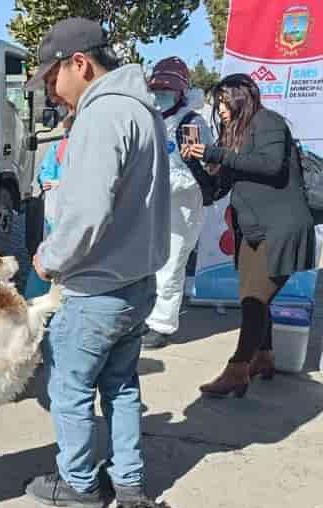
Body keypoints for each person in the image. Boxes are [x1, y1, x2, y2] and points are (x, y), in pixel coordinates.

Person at [22, 17, 170, 508]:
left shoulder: (101, 116)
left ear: (79, 63)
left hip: (95, 291)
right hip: (136, 282)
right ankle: (128, 481)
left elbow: (85, 213)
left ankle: (80, 484)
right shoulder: (143, 111)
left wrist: (48, 258)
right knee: (122, 386)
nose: (51, 90)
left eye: (51, 77)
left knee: (70, 391)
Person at [183, 74, 315, 397]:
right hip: (252, 231)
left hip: (280, 228)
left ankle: (238, 368)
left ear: (240, 97)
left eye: (223, 103)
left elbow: (271, 166)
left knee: (256, 299)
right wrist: (197, 164)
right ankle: (264, 357)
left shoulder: (268, 123)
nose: (220, 110)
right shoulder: (233, 134)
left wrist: (216, 154)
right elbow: (217, 189)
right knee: (254, 299)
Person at [143, 57, 216, 349]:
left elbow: (196, 171)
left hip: (183, 205)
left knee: (171, 265)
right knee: (149, 263)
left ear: (181, 92)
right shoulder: (153, 118)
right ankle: (146, 316)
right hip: (153, 205)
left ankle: (162, 325)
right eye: (158, 89)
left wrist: (158, 184)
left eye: (167, 90)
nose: (161, 95)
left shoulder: (191, 123)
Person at [24, 112, 74, 300]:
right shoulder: (64, 148)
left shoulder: (58, 147)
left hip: (53, 215)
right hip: (58, 214)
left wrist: (55, 183)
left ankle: (36, 299)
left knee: (48, 250)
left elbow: (45, 175)